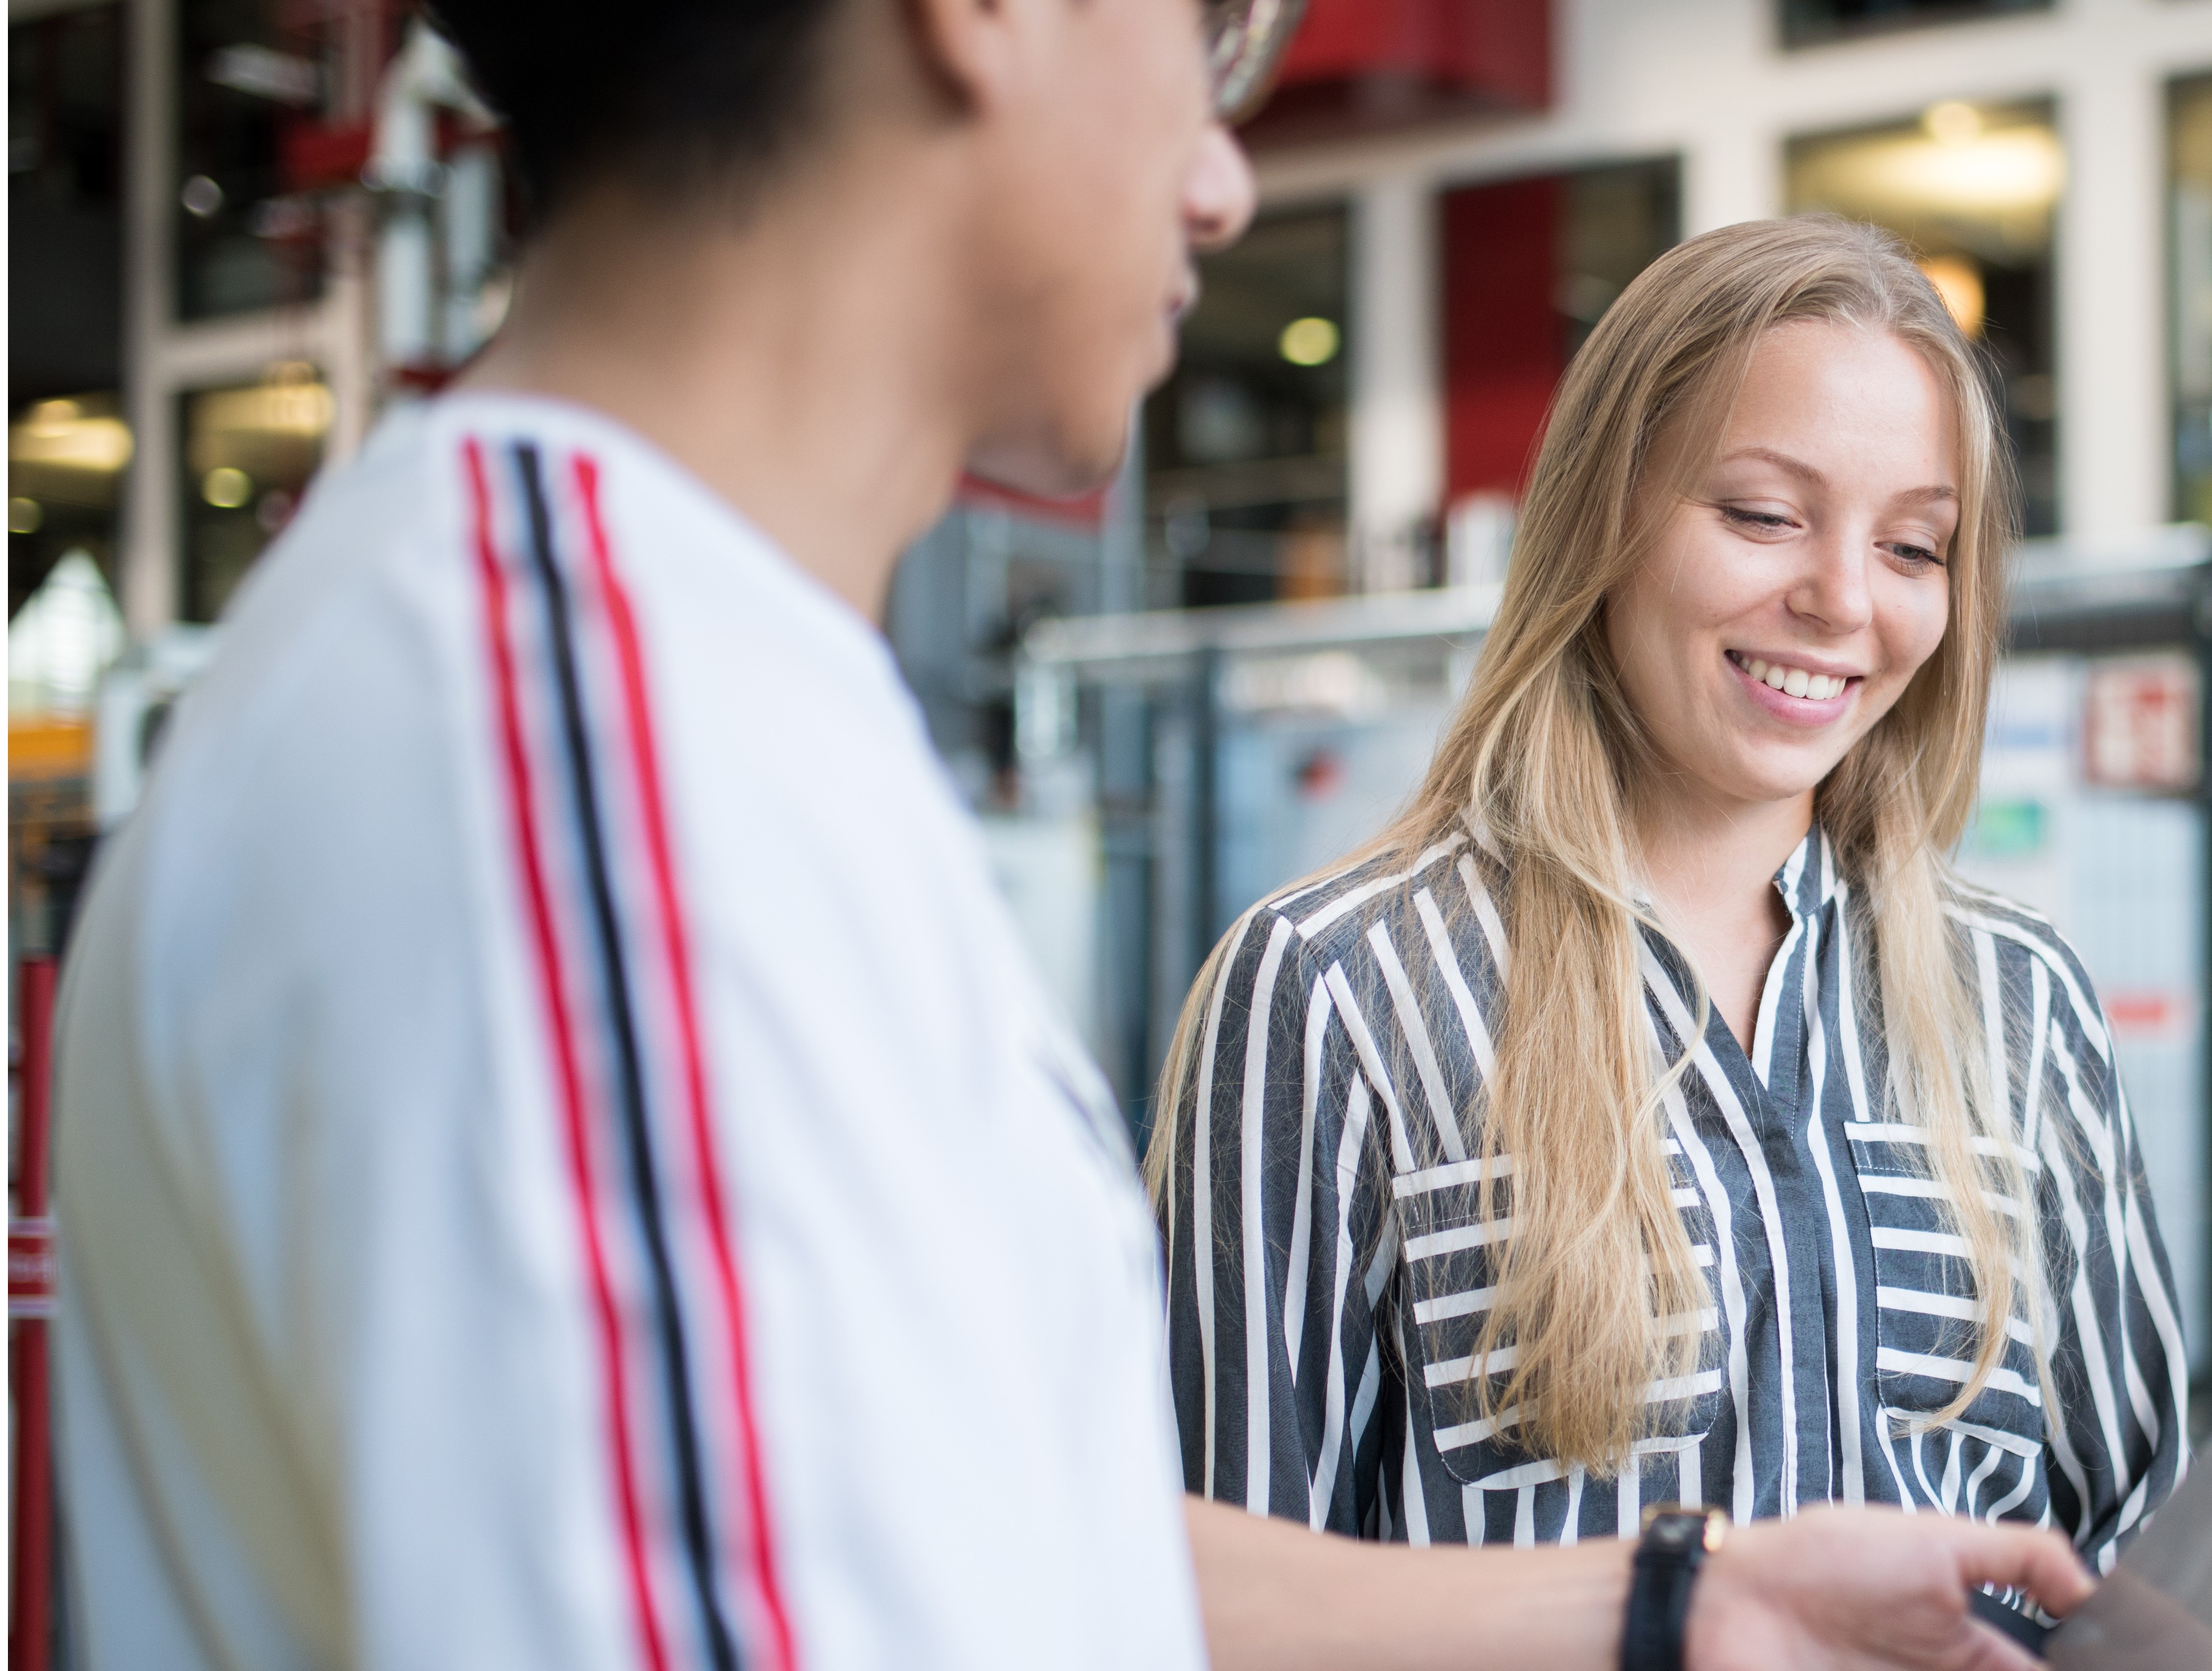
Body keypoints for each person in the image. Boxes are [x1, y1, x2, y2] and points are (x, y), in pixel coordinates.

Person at [49, 0, 2092, 1665]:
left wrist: (1674, 1606)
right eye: (1204, 35)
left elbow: (999, 1545)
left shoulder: (670, 703)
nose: (1222, 170)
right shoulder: (568, 774)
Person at [1146, 215, 2189, 1564]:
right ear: (1606, 515)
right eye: (1763, 515)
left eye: (1914, 548)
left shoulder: (2022, 1000)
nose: (1840, 600)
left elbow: (2140, 1547)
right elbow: (1213, 1602)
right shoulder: (1338, 990)